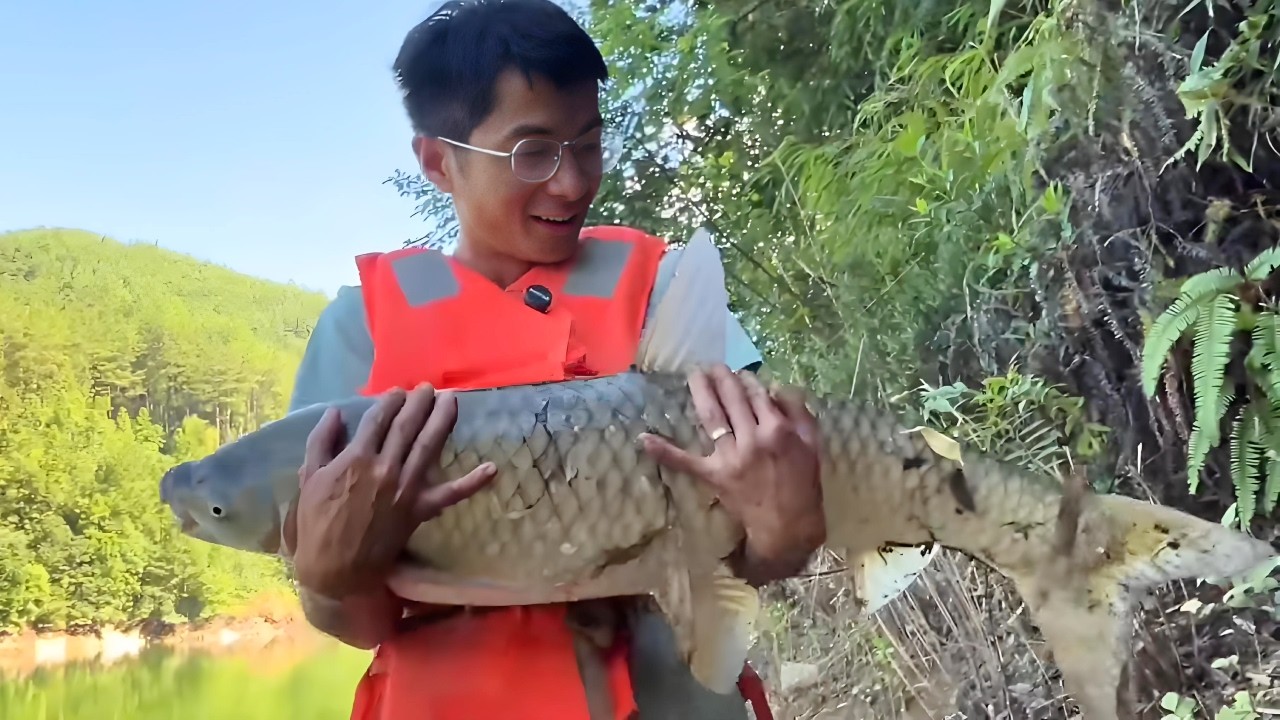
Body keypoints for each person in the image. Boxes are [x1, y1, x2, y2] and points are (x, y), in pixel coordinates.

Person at [281, 1, 827, 718]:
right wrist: (330, 578)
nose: (572, 183)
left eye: (588, 143)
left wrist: (783, 537)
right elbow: (354, 619)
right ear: (439, 161)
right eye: (532, 152)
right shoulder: (361, 332)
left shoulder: (664, 290)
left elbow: (758, 544)